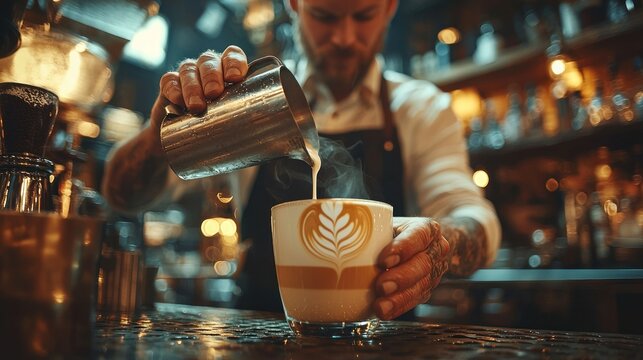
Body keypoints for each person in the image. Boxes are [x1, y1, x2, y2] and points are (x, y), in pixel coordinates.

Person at [102, 0, 501, 321]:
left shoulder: (419, 107)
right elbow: (123, 196)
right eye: (325, 17)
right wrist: (161, 138)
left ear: (390, 7)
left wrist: (440, 244)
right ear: (294, 5)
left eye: (363, 16)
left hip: (381, 343)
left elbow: (470, 213)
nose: (344, 38)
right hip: (255, 339)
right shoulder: (249, 102)